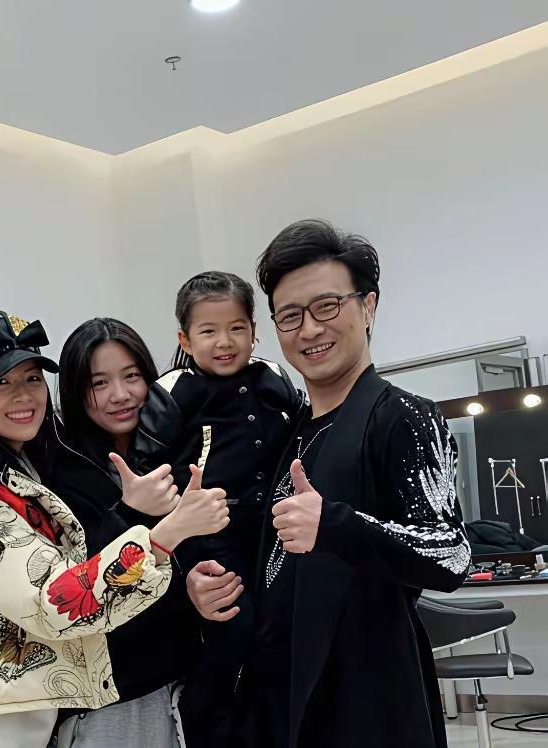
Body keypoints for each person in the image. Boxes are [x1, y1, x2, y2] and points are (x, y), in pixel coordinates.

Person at [185, 221, 471, 748]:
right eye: (290, 316)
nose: (310, 329)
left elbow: (450, 555)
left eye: (327, 306)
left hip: (363, 700)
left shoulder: (404, 417)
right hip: (281, 696)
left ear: (368, 307)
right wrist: (205, 586)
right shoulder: (289, 429)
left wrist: (337, 525)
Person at [0, 311, 229, 748]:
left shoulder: (24, 459)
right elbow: (52, 600)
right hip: (3, 720)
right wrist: (157, 529)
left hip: (60, 700)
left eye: (32, 378)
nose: (23, 395)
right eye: (0, 382)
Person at [134, 272, 303, 747]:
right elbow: (150, 466)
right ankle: (202, 716)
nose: (224, 342)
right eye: (208, 331)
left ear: (254, 331)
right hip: (209, 533)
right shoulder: (172, 390)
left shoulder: (273, 376)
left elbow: (301, 429)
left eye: (236, 328)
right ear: (185, 340)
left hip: (273, 533)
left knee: (277, 631)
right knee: (234, 624)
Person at [51, 317, 200, 747]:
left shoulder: (175, 450)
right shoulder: (58, 472)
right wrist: (131, 512)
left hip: (187, 677)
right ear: (76, 390)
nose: (120, 395)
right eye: (99, 383)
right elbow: (71, 589)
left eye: (132, 376)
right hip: (115, 696)